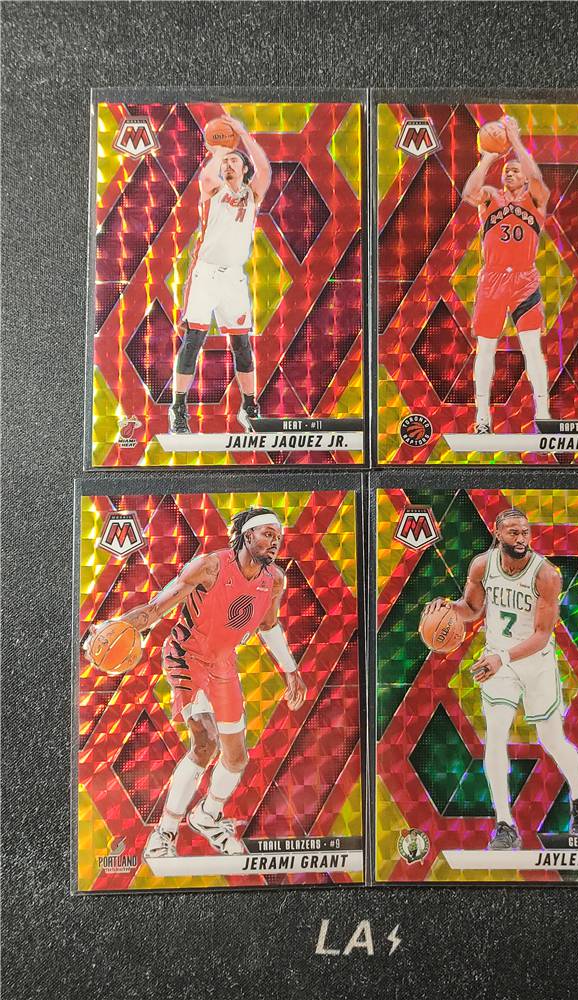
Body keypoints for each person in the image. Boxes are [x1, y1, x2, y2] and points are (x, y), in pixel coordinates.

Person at [85, 507, 307, 858]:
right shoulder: (210, 566)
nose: (275, 541)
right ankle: (164, 833)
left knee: (236, 758)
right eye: (267, 534)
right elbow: (156, 609)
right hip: (186, 655)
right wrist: (117, 627)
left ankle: (207, 815)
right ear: (247, 535)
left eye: (277, 537)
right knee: (206, 740)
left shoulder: (274, 580)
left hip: (223, 664)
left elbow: (268, 625)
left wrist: (291, 669)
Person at [423, 508, 578, 849]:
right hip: (497, 660)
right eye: (514, 532)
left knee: (552, 740)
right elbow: (473, 609)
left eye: (525, 532)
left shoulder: (546, 575)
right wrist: (448, 607)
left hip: (534, 662)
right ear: (498, 533)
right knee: (496, 736)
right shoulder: (482, 566)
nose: (521, 538)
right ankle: (504, 824)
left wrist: (502, 658)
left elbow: (542, 635)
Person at [169, 115, 272, 435]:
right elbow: (206, 176)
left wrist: (242, 134)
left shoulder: (252, 194)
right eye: (225, 162)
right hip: (206, 275)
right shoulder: (212, 189)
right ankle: (178, 408)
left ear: (244, 168)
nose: (227, 165)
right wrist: (221, 149)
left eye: (233, 162)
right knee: (194, 340)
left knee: (242, 344)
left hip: (234, 279)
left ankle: (250, 406)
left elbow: (264, 168)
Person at [462, 116, 551, 433]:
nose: (509, 173)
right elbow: (468, 192)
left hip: (524, 281)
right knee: (486, 348)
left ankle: (543, 413)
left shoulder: (535, 198)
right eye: (506, 170)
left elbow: (536, 176)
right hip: (493, 280)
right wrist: (488, 157)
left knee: (532, 348)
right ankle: (482, 417)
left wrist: (514, 140)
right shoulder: (490, 196)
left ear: (523, 177)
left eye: (515, 170)